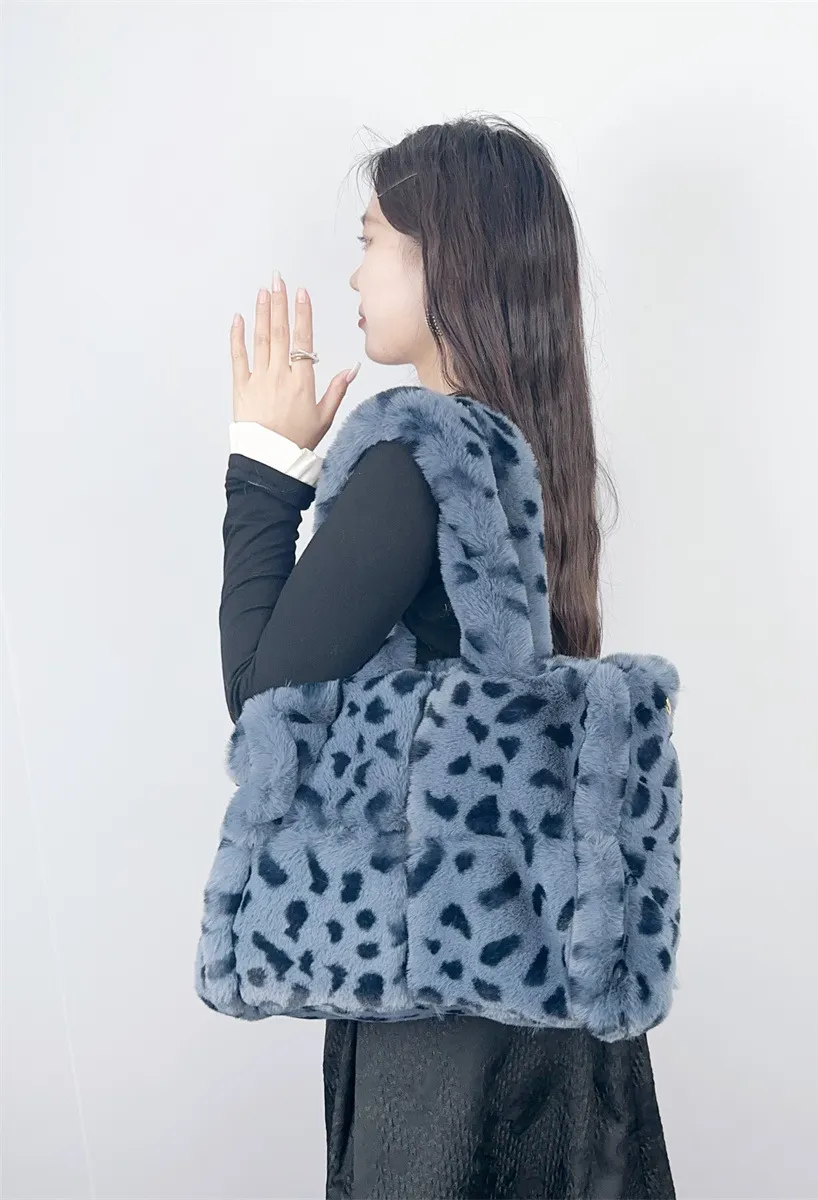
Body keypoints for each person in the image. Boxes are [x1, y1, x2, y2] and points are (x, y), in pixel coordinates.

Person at [219, 115, 676, 1200]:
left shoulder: (421, 450)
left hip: (439, 1009)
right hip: (536, 987)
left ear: (446, 259)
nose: (354, 271)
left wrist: (264, 468)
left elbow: (264, 706)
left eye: (372, 240)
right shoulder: (529, 447)